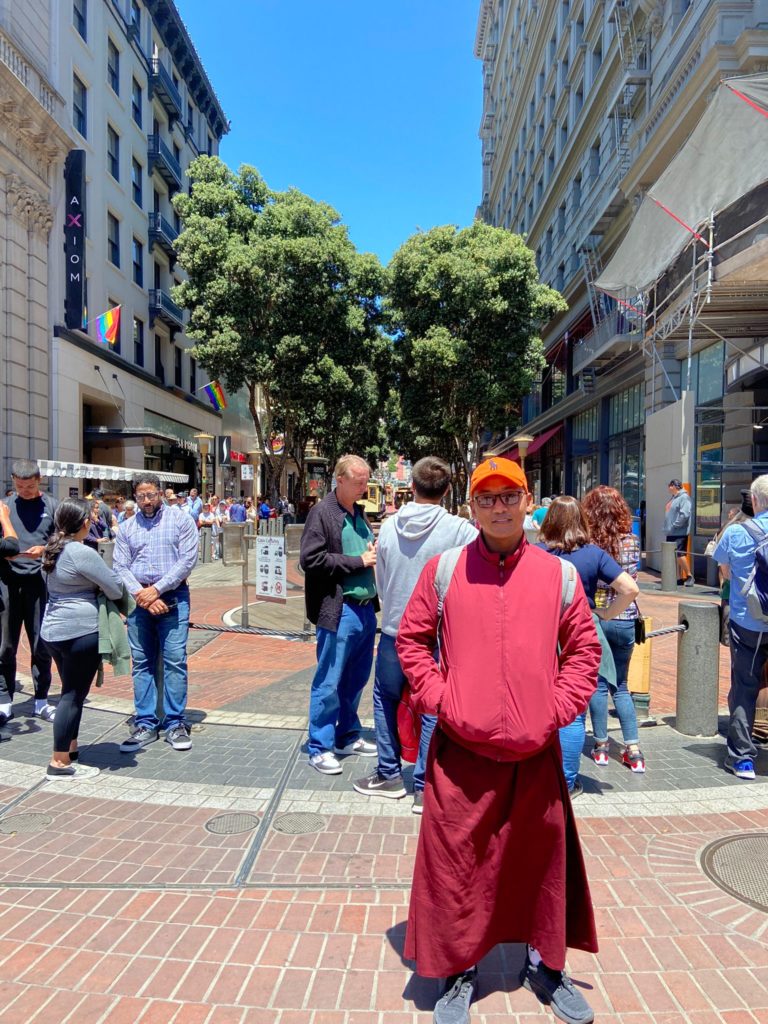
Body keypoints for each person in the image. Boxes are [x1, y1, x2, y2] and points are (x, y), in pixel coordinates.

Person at [397, 457, 602, 1024]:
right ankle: (460, 969)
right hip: (461, 756)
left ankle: (546, 966)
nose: (499, 507)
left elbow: (584, 650)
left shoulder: (558, 575)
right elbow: (412, 641)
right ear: (472, 507)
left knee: (541, 867)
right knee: (457, 870)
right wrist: (442, 699)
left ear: (527, 501)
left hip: (535, 755)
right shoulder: (444, 570)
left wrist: (554, 709)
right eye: (486, 498)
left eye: (509, 495)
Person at [353, 456, 477, 812]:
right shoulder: (460, 530)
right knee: (434, 703)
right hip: (438, 634)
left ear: (412, 487)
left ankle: (389, 773)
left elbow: (380, 578)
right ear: (448, 489)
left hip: (395, 629)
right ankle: (425, 783)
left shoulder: (389, 527)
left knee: (385, 697)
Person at [539, 495, 639, 793]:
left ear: (549, 521)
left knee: (540, 706)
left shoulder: (536, 553)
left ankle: (541, 773)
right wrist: (605, 613)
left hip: (543, 634)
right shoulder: (593, 554)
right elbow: (630, 588)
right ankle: (566, 781)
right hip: (580, 633)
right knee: (573, 712)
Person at [299, 454, 378, 775]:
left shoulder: (358, 513)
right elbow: (310, 560)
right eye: (358, 481)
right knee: (329, 681)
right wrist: (358, 562)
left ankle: (347, 734)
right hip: (339, 609)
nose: (363, 487)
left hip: (365, 610)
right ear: (340, 479)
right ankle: (319, 747)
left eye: (365, 481)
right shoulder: (322, 513)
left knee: (355, 680)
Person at [113, 472, 199, 753]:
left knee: (175, 660)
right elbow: (120, 566)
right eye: (141, 496)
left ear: (161, 493)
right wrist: (144, 595)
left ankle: (175, 722)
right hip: (139, 600)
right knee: (141, 662)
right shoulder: (127, 527)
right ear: (134, 497)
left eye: (151, 495)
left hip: (173, 597)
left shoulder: (181, 520)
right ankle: (146, 722)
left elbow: (187, 560)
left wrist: (158, 590)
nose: (146, 500)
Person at [40, 499, 123, 779]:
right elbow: (114, 587)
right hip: (80, 630)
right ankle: (59, 762)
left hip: (52, 629)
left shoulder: (51, 548)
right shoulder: (81, 551)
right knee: (73, 695)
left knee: (71, 690)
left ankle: (71, 747)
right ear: (85, 522)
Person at [582, 486, 647, 773]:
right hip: (625, 617)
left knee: (597, 684)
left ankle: (601, 746)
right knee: (621, 685)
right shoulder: (632, 540)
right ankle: (633, 750)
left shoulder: (589, 543)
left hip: (598, 617)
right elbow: (631, 580)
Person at [714, 474, 768, 780]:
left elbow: (724, 568)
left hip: (747, 621)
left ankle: (742, 759)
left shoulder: (737, 532)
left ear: (755, 501)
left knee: (744, 687)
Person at [0, 460, 58, 724]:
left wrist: (44, 549)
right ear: (13, 480)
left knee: (40, 644)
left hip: (39, 581)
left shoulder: (52, 506)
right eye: (20, 486)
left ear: (39, 480)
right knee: (5, 645)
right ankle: (4, 700)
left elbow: (64, 540)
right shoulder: (4, 507)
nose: (24, 491)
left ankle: (41, 700)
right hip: (7, 581)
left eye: (30, 487)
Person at [665, 479, 693, 586]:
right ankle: (679, 577)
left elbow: (685, 514)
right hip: (671, 532)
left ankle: (689, 575)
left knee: (680, 554)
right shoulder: (674, 498)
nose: (668, 488)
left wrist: (675, 525)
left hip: (679, 532)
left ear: (674, 486)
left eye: (669, 485)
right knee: (673, 556)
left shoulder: (684, 498)